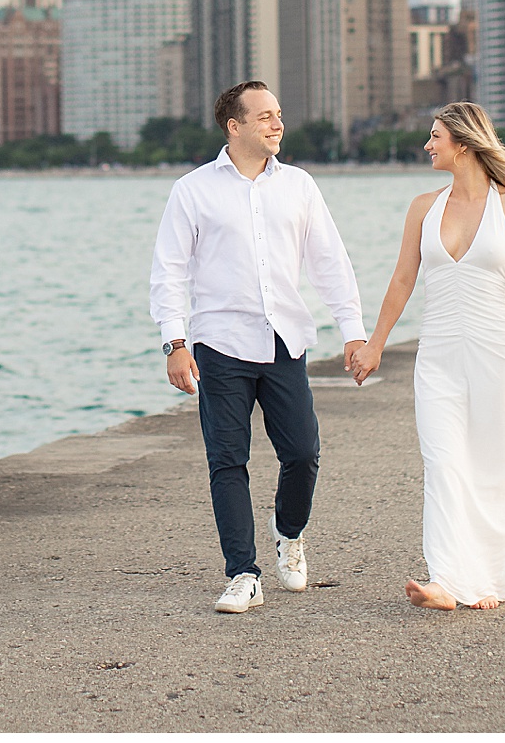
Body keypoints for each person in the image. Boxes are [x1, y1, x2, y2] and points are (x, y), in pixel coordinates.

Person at [348, 100, 505, 611]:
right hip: (437, 354)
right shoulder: (423, 207)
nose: (427, 145)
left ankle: (488, 579)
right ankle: (447, 580)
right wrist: (375, 344)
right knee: (443, 461)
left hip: (495, 350)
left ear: (464, 142)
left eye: (435, 136)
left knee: (498, 461)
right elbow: (403, 280)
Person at [149, 80, 370, 614]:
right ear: (235, 125)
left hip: (284, 341)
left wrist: (353, 330)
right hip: (219, 344)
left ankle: (288, 534)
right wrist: (174, 343)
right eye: (265, 116)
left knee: (302, 452)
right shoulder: (193, 190)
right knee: (227, 460)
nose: (277, 124)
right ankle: (242, 573)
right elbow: (168, 272)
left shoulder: (298, 185)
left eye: (278, 114)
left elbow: (329, 262)